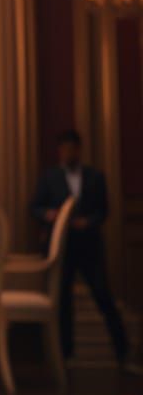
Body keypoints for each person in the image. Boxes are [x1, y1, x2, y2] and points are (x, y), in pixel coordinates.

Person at [31, 128, 128, 364]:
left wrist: (88, 222)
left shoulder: (95, 177)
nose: (68, 153)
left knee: (103, 295)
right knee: (63, 301)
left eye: (71, 149)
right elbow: (35, 207)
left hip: (89, 245)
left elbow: (104, 210)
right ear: (59, 151)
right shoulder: (49, 177)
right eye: (64, 149)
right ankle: (65, 355)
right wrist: (49, 215)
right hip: (62, 248)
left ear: (78, 150)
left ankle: (123, 353)